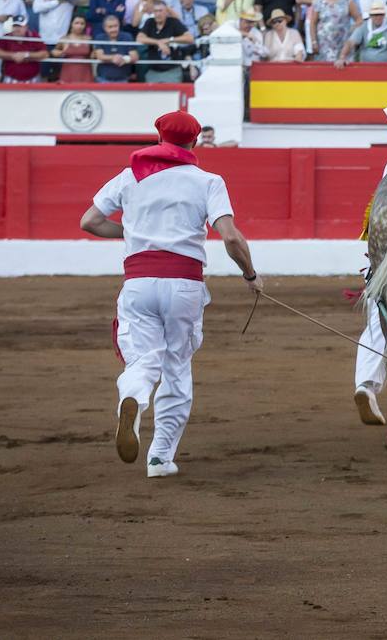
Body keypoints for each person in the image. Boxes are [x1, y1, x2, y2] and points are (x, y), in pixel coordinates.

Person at [79, 111, 262, 477]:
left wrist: (133, 233)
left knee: (144, 360)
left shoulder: (129, 176)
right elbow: (230, 236)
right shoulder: (208, 181)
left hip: (139, 282)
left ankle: (133, 397)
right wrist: (250, 274)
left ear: (159, 136)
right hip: (184, 284)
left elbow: (90, 221)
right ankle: (160, 457)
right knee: (177, 366)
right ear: (195, 142)